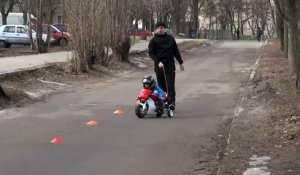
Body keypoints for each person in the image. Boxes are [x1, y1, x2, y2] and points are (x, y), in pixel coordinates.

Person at [148, 22, 184, 110]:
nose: (160, 29)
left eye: (162, 27)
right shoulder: (153, 40)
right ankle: (163, 102)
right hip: (159, 66)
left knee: (170, 85)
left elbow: (175, 51)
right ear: (156, 29)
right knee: (161, 86)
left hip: (169, 65)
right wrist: (158, 61)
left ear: (165, 29)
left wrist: (180, 62)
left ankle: (171, 104)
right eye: (158, 28)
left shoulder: (170, 38)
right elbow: (151, 53)